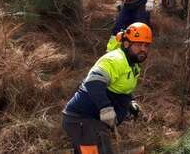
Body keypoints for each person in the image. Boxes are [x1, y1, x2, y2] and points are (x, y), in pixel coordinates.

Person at [62, 23, 153, 154]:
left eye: (146, 45)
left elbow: (120, 87)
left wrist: (129, 101)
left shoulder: (133, 64)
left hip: (94, 122)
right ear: (126, 44)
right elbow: (93, 82)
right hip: (81, 119)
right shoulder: (115, 60)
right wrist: (106, 108)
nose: (143, 49)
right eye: (138, 45)